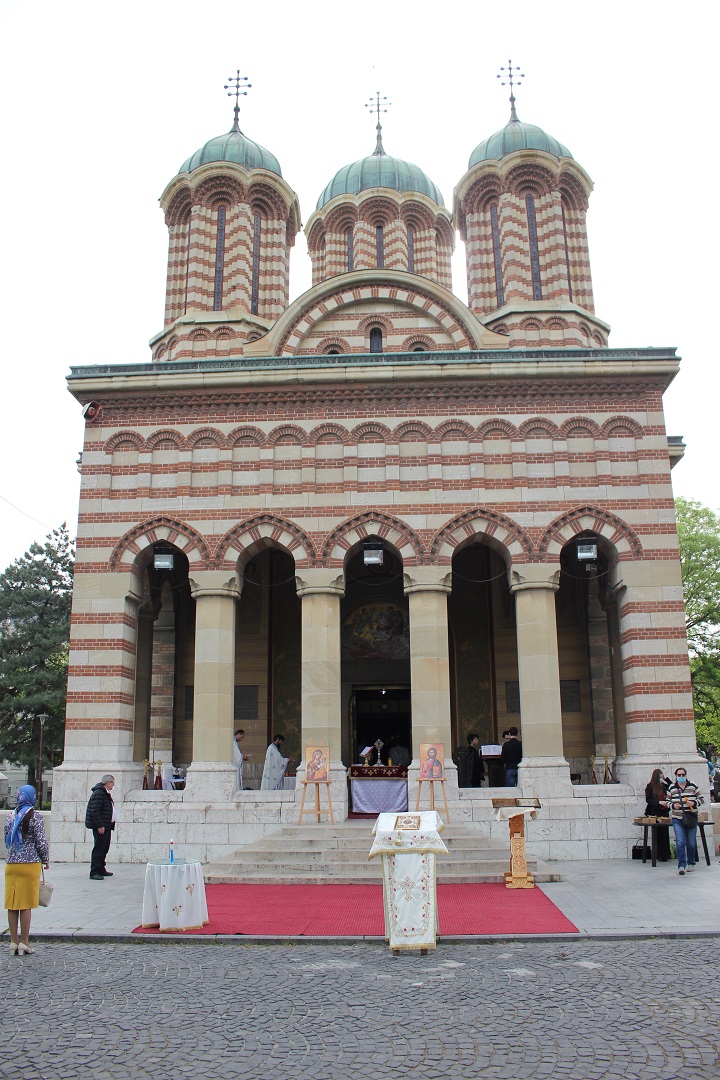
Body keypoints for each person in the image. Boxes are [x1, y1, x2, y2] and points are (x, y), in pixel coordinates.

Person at [4, 784, 50, 955]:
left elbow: (6, 838)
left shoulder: (10, 816)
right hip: (29, 864)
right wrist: (45, 860)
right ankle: (24, 942)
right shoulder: (35, 817)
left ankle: (13, 942)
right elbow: (41, 842)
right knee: (25, 905)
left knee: (12, 904)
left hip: (11, 865)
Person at [666, 767, 704, 875]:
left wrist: (694, 803)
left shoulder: (692, 786)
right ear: (676, 776)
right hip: (677, 818)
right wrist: (673, 805)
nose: (681, 777)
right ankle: (681, 865)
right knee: (680, 842)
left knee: (691, 842)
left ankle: (691, 863)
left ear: (686, 775)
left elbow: (701, 799)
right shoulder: (672, 787)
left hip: (691, 817)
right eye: (679, 775)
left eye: (683, 775)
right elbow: (667, 801)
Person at [84, 774, 116, 880]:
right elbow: (95, 810)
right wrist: (100, 825)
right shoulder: (99, 793)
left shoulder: (104, 793)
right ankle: (94, 871)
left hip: (107, 825)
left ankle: (101, 868)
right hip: (102, 826)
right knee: (99, 848)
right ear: (108, 782)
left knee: (104, 848)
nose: (113, 785)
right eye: (113, 783)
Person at [644, 767, 671, 861]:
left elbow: (673, 786)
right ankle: (658, 854)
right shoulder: (650, 786)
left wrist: (666, 779)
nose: (661, 779)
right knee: (657, 834)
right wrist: (658, 802)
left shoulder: (664, 786)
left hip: (664, 811)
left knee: (665, 833)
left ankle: (665, 854)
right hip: (655, 812)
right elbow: (648, 800)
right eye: (659, 777)